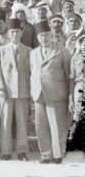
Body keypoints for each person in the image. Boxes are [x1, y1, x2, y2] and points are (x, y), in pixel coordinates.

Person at [29, 21, 71, 164]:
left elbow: (67, 74)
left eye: (46, 35)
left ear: (51, 35)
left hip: (56, 93)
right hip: (38, 93)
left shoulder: (62, 51)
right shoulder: (33, 53)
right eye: (41, 36)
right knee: (41, 125)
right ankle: (46, 154)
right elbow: (32, 72)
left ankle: (58, 154)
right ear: (38, 37)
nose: (44, 38)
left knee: (57, 125)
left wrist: (69, 95)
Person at [0, 18, 32, 161]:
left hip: (23, 91)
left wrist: (31, 90)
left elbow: (32, 72)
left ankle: (22, 151)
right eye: (12, 32)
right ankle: (6, 151)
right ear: (8, 34)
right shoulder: (0, 50)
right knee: (5, 121)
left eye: (17, 32)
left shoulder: (29, 50)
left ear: (21, 34)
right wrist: (0, 87)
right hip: (6, 91)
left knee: (22, 122)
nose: (15, 35)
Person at [67, 34, 85, 152]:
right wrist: (71, 99)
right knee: (78, 116)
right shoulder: (75, 58)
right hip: (80, 87)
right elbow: (71, 78)